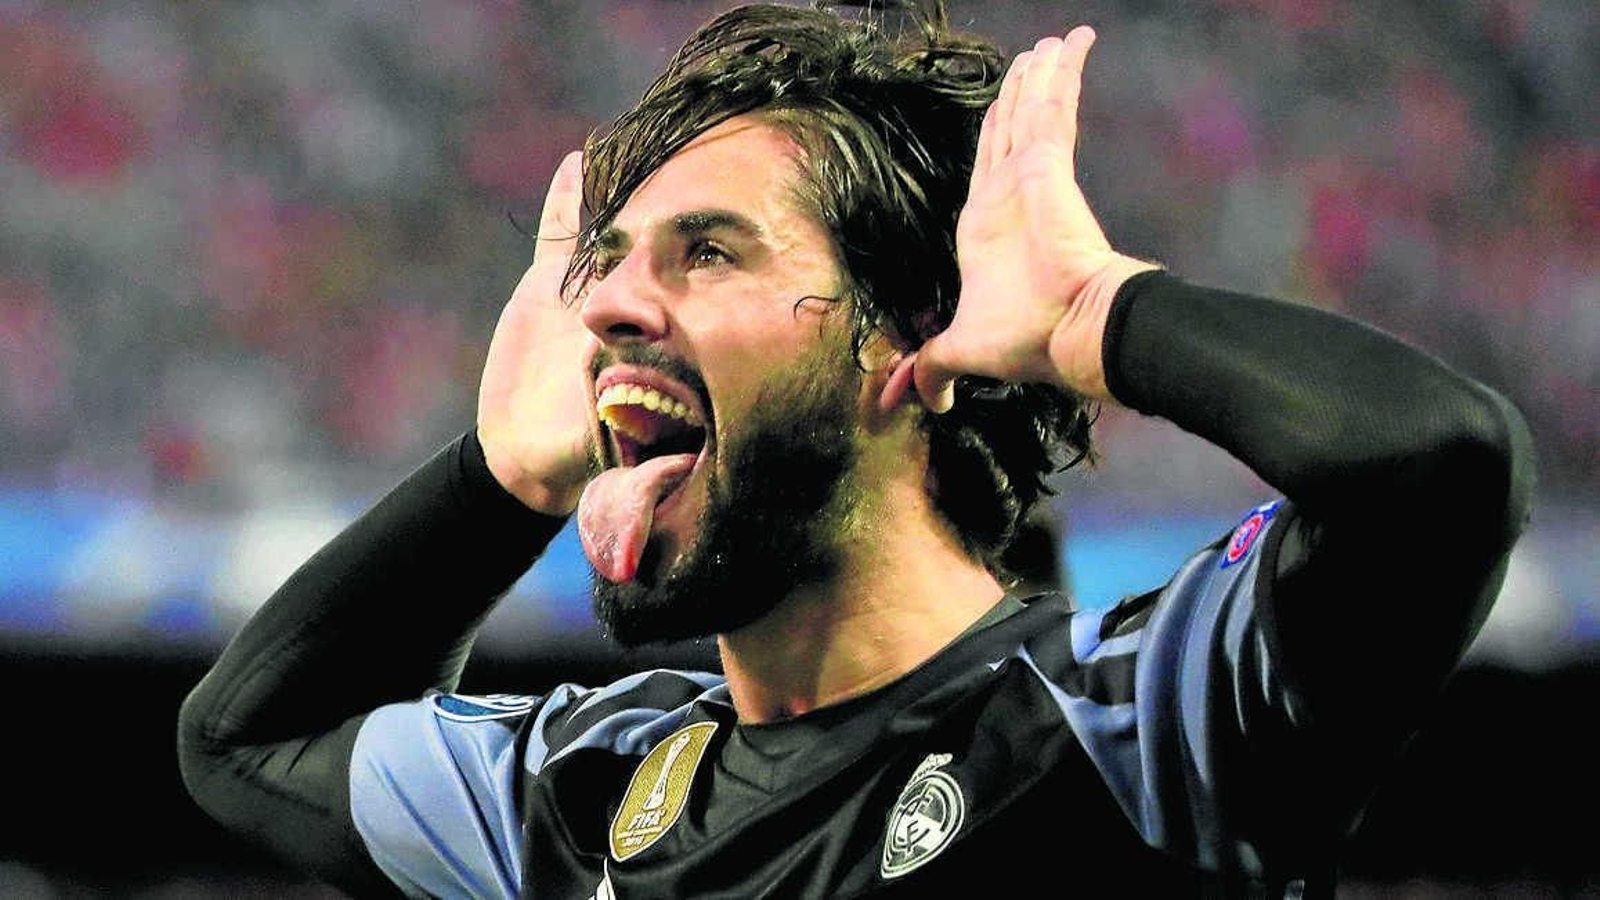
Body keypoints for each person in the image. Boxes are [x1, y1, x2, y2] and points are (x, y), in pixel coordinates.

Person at [177, 3, 1534, 897]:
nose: (608, 305)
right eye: (610, 260)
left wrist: (1096, 314)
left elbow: (1437, 469)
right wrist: (501, 484)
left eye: (707, 251)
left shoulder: (1133, 727)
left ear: (907, 341)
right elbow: (246, 741)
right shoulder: (581, 803)